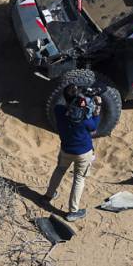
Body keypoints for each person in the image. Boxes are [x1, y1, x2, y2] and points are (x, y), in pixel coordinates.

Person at [44, 84, 101, 222]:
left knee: (60, 170)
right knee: (79, 178)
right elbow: (94, 127)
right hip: (83, 152)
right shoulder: (84, 119)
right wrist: (97, 107)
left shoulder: (58, 110)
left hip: (66, 149)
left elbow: (65, 108)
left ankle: (48, 196)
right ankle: (73, 212)